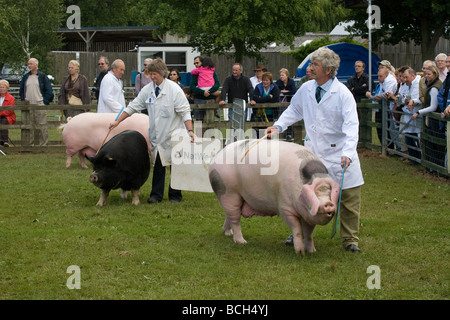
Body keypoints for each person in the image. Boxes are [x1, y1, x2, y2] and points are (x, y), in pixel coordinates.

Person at [266, 47, 364, 253]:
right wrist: (278, 126)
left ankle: (350, 240)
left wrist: (348, 152)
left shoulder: (343, 94)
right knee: (306, 196)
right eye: (311, 64)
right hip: (314, 154)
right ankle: (298, 232)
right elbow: (294, 109)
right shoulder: (307, 89)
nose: (309, 68)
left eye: (314, 65)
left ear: (328, 70)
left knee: (349, 198)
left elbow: (351, 126)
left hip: (339, 154)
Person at [109, 58, 194, 204]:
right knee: (159, 166)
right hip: (158, 137)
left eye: (155, 74)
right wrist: (117, 121)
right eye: (151, 73)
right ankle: (156, 195)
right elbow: (132, 106)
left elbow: (185, 111)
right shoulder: (147, 90)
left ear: (162, 73)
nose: (152, 77)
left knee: (175, 167)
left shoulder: (175, 90)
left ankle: (175, 195)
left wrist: (190, 131)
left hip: (173, 135)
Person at [412, 64, 444, 167]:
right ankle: (433, 166)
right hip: (432, 118)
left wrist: (418, 112)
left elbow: (433, 106)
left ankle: (435, 166)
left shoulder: (434, 87)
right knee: (432, 142)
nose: (427, 76)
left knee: (435, 143)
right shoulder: (433, 85)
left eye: (429, 74)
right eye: (425, 74)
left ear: (435, 74)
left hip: (435, 119)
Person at [19, 57, 53, 146]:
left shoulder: (42, 77)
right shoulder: (26, 77)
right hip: (28, 105)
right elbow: (21, 90)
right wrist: (23, 101)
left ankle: (43, 145)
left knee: (42, 126)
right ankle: (30, 145)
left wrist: (44, 102)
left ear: (36, 65)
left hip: (39, 104)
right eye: (28, 64)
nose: (29, 66)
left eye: (31, 64)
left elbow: (49, 91)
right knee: (29, 126)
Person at [398, 68, 422, 163]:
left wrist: (412, 100)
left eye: (406, 77)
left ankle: (418, 159)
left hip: (417, 114)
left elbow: (418, 99)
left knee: (416, 138)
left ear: (413, 76)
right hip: (409, 113)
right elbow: (405, 97)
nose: (405, 79)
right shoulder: (408, 84)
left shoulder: (418, 83)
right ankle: (413, 159)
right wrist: (407, 100)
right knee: (408, 136)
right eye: (404, 77)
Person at [189, 56, 220, 120]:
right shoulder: (195, 74)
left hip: (211, 99)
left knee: (210, 121)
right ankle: (198, 130)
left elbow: (217, 84)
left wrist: (209, 91)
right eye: (194, 63)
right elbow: (192, 86)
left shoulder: (211, 72)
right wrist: (203, 92)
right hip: (199, 99)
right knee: (198, 122)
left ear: (202, 62)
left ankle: (216, 110)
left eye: (197, 63)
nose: (196, 65)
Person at [0, 80, 16, 147]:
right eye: (0, 87)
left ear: (7, 88)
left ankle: (5, 141)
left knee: (3, 122)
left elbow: (9, 111)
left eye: (3, 87)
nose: (1, 89)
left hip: (8, 116)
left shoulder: (11, 98)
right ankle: (1, 141)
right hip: (1, 115)